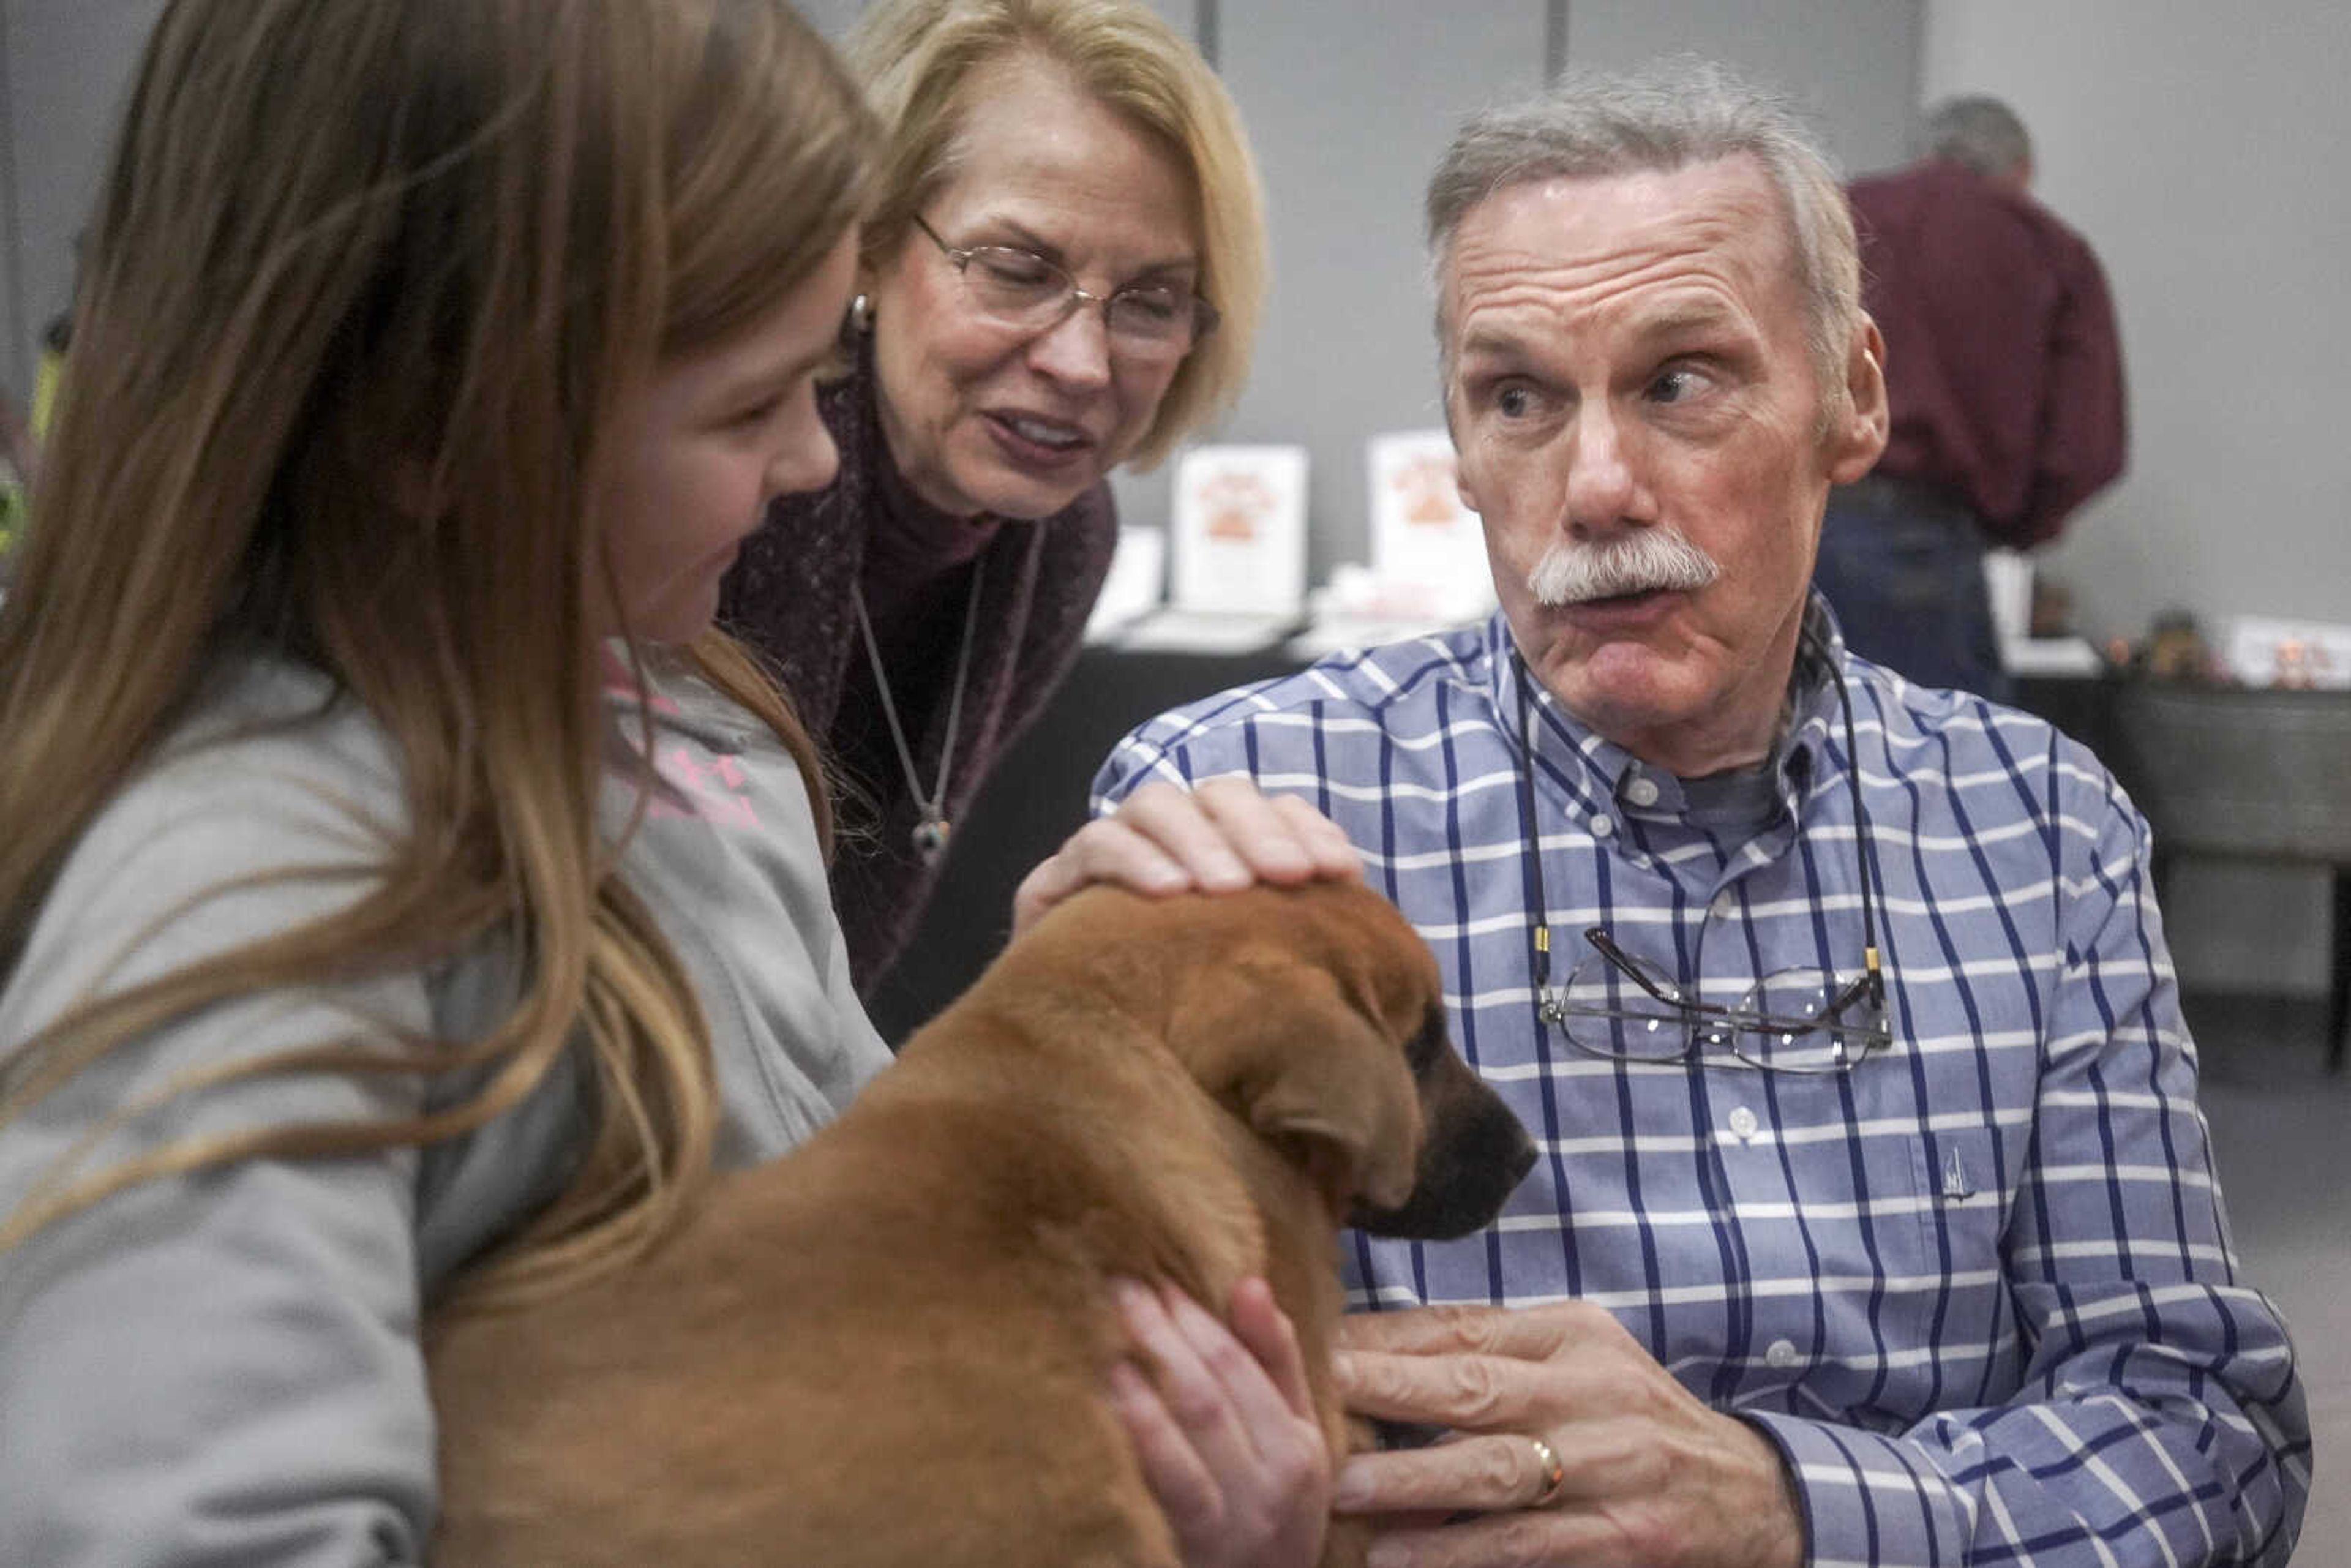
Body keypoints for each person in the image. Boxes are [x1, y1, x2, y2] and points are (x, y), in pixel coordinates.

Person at [0, 4, 1343, 1562]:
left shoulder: (698, 728)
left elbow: (846, 1194)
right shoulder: (250, 888)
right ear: (452, 409)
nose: (814, 462)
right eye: (747, 404)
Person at [1095, 61, 2308, 1567]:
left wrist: (1789, 1506)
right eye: (1517, 397)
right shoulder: (1245, 817)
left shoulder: (2039, 829)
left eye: (1678, 379)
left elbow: (2202, 1416)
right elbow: (1106, 1404)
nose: (1595, 485)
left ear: (1851, 396)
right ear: (1460, 449)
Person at [718, 0, 1267, 997]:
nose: (1080, 363)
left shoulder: (1060, 536)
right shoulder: (726, 483)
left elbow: (831, 965)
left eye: (1148, 302)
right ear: (872, 247)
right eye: (1018, 271)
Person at [1812, 94, 2127, 702]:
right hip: (1927, 547)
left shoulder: (1834, 216)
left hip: (1786, 530)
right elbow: (2087, 446)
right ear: (2020, 174)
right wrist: (2013, 525)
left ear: (1926, 153)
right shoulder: (2052, 251)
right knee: (1938, 772)